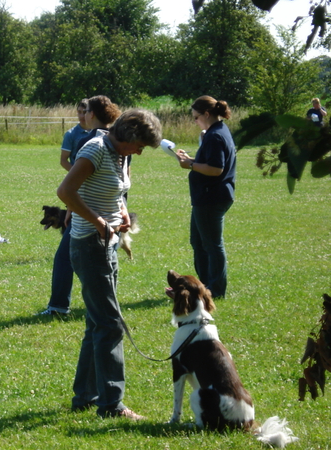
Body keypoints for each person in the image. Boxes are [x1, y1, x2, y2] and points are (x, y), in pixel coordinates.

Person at [57, 109, 162, 419]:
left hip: (108, 243)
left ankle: (85, 397)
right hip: (91, 245)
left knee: (97, 323)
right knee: (110, 324)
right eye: (140, 145)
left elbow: (113, 188)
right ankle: (111, 405)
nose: (140, 152)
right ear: (128, 134)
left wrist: (122, 211)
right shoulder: (96, 149)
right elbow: (66, 192)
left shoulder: (119, 154)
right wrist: (100, 222)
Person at [38, 96, 120, 316]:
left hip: (91, 212)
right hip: (112, 211)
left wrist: (71, 209)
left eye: (85, 111)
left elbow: (78, 185)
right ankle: (107, 307)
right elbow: (122, 179)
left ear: (91, 114)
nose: (82, 114)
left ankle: (59, 307)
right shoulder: (118, 139)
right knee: (106, 262)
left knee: (67, 258)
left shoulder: (92, 142)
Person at [174, 96, 237, 299]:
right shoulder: (216, 132)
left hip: (212, 198)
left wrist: (190, 165)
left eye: (196, 117)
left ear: (207, 114)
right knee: (199, 242)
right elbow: (209, 162)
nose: (194, 121)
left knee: (211, 244)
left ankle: (215, 290)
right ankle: (203, 285)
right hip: (207, 198)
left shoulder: (215, 136)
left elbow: (216, 169)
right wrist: (189, 159)